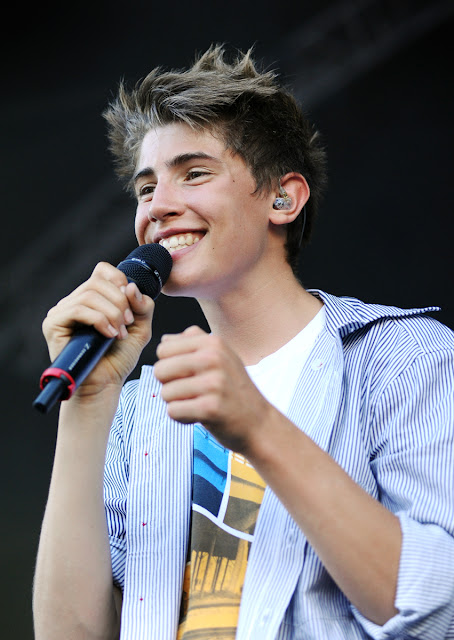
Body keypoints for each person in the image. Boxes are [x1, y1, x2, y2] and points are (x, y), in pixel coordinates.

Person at [33, 45, 454, 640]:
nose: (159, 206)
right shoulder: (140, 410)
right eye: (146, 188)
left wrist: (258, 426)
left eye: (194, 173)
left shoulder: (405, 360)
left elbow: (438, 610)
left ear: (283, 198)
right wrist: (89, 403)